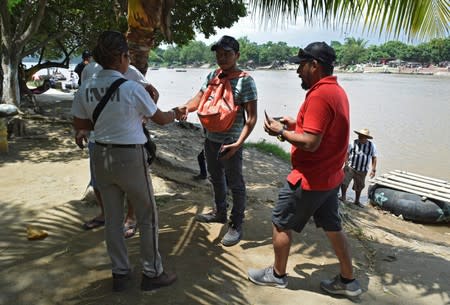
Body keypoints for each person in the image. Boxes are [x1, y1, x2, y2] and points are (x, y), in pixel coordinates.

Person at [247, 42, 362, 297]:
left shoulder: (319, 95)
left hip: (310, 179)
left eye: (301, 65)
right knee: (334, 227)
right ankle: (348, 280)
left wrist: (282, 131)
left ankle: (277, 275)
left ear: (314, 65)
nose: (297, 71)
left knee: (280, 222)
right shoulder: (336, 91)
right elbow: (323, 131)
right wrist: (296, 123)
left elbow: (311, 142)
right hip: (331, 178)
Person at [71, 30, 182, 292]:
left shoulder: (85, 87)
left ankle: (120, 273)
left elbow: (81, 124)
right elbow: (161, 118)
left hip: (100, 155)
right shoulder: (131, 87)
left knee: (112, 218)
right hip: (129, 156)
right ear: (123, 57)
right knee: (147, 215)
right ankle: (152, 272)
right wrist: (177, 112)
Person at [180, 35, 258, 246]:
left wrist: (238, 143)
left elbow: (251, 118)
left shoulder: (245, 81)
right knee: (215, 178)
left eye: (227, 54)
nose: (222, 58)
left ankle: (236, 224)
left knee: (235, 183)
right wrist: (185, 108)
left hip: (231, 141)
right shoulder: (212, 76)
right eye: (219, 54)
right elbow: (199, 99)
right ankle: (220, 212)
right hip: (210, 138)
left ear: (237, 55)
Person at [81, 61, 160, 239]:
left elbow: (153, 93)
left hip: (129, 141)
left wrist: (144, 117)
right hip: (98, 140)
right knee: (98, 182)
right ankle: (105, 215)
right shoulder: (89, 70)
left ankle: (131, 218)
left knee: (132, 185)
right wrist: (83, 128)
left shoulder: (130, 71)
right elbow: (84, 101)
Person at [340, 128, 377, 207]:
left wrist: (373, 170)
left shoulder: (372, 146)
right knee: (344, 182)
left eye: (362, 136)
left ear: (366, 137)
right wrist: (346, 164)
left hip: (362, 170)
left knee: (359, 186)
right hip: (350, 167)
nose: (360, 137)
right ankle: (343, 197)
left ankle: (357, 201)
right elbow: (346, 153)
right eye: (359, 135)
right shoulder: (353, 143)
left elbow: (374, 157)